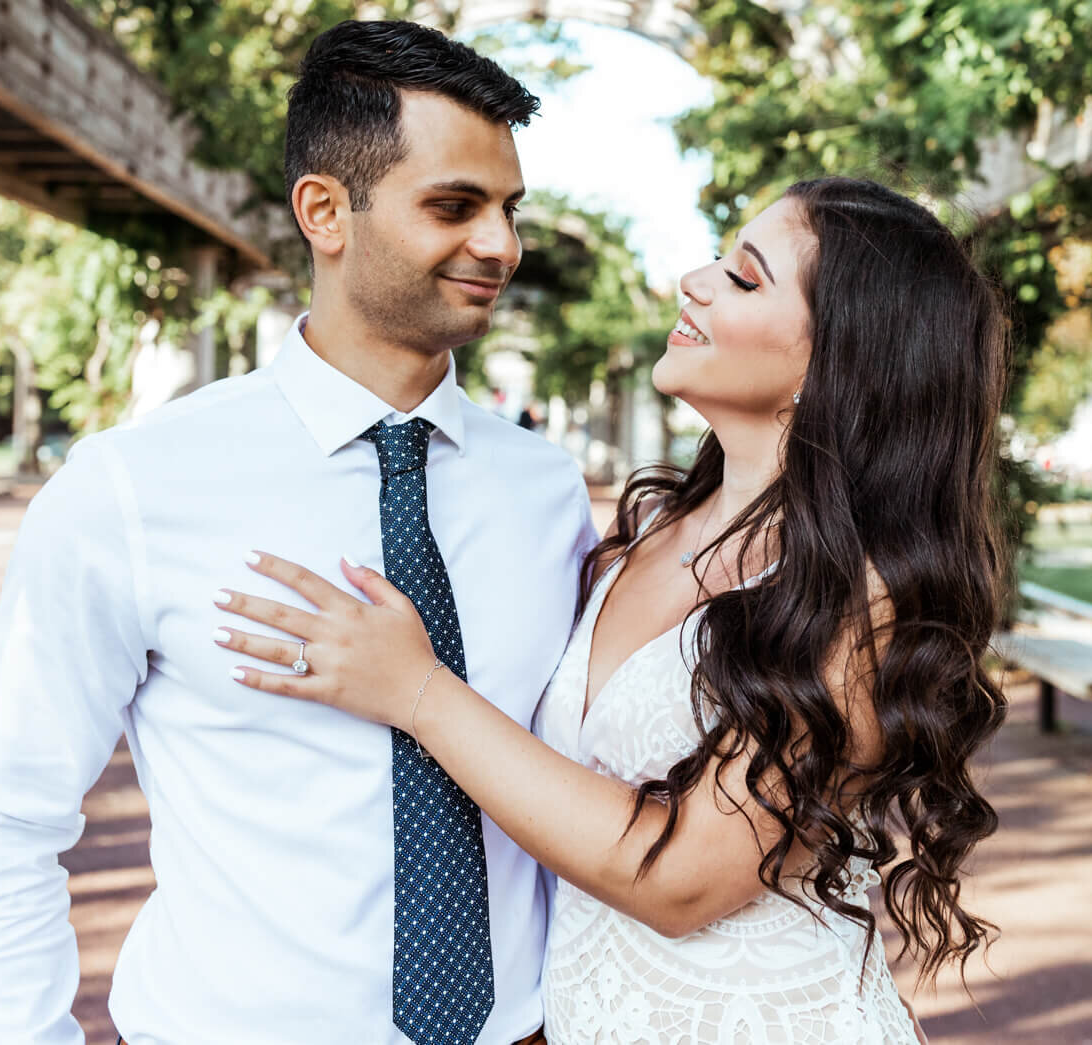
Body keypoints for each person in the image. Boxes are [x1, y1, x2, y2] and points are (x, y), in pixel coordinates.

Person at [218, 177, 1011, 1043]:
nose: (694, 281)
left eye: (743, 279)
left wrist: (414, 689)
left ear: (838, 361)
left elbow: (679, 880)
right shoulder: (650, 530)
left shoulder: (861, 599)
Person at [0, 20, 597, 1045]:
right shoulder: (133, 487)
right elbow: (0, 814)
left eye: (509, 209)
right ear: (325, 211)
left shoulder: (547, 492)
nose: (500, 245)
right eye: (453, 206)